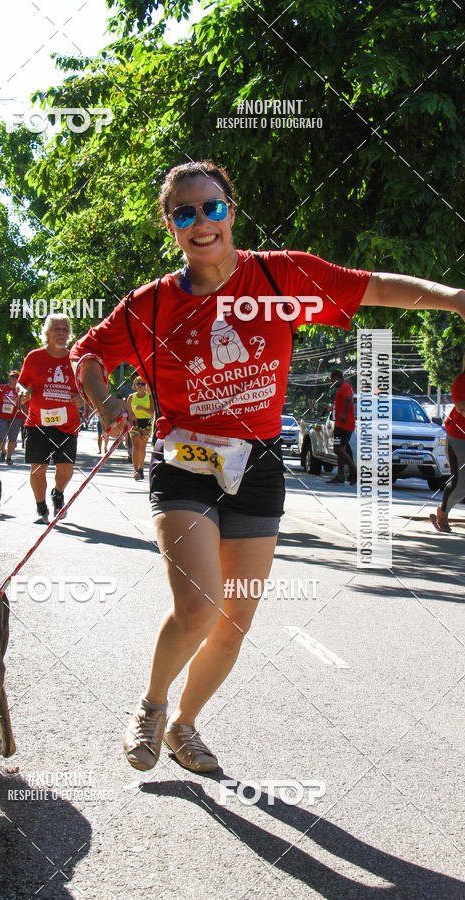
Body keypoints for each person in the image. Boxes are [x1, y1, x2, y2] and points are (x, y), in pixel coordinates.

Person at [69, 160, 465, 774]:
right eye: (186, 213)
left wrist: (457, 301)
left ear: (231, 209)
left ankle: (184, 725)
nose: (202, 222)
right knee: (200, 604)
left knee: (236, 617)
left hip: (257, 463)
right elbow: (87, 353)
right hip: (185, 461)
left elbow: (376, 287)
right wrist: (105, 401)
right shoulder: (151, 306)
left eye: (213, 207)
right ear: (170, 225)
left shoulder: (283, 278)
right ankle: (150, 704)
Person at [17, 315, 83, 524]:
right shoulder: (34, 357)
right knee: (38, 467)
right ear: (47, 333)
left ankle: (58, 493)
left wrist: (82, 398)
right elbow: (20, 383)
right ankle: (41, 508)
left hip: (67, 424)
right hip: (38, 423)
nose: (61, 332)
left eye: (65, 329)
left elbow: (87, 388)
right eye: (56, 329)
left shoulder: (76, 360)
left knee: (66, 469)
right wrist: (22, 392)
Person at [430, 356, 465, 533]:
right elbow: (462, 408)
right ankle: (442, 514)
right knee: (461, 484)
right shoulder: (461, 381)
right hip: (459, 438)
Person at [327, 369, 357, 485]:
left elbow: (349, 399)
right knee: (341, 450)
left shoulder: (345, 387)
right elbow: (343, 402)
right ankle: (340, 476)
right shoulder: (343, 388)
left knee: (338, 449)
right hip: (341, 424)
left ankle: (354, 470)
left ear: (337, 378)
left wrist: (344, 414)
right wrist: (331, 408)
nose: (331, 382)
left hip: (344, 425)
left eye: (332, 379)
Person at [0, 371, 26, 465]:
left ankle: (9, 457)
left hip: (16, 417)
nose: (14, 379)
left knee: (12, 438)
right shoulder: (2, 388)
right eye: (12, 377)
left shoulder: (21, 390)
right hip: (2, 417)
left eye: (16, 377)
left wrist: (26, 417)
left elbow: (25, 404)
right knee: (1, 437)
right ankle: (3, 451)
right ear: (9, 377)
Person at [128, 376, 155, 480]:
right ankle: (135, 470)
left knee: (142, 447)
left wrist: (141, 408)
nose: (140, 386)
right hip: (134, 423)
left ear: (145, 386)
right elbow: (127, 411)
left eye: (142, 384)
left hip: (146, 423)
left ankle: (141, 467)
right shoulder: (131, 397)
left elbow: (152, 412)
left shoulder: (149, 397)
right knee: (135, 446)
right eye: (138, 384)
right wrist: (131, 417)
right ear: (135, 385)